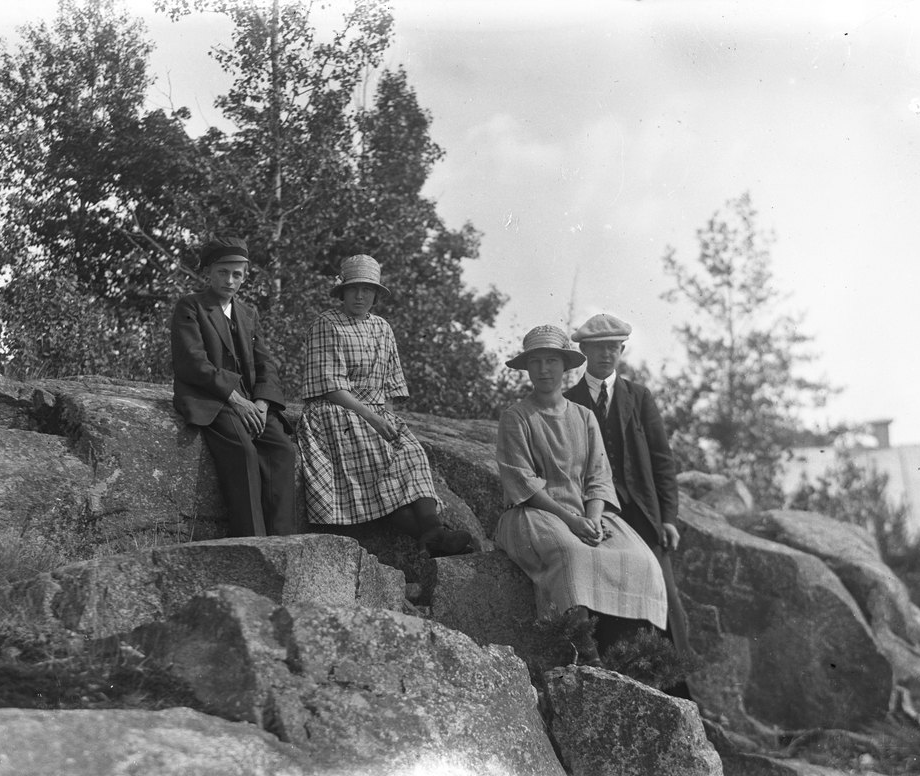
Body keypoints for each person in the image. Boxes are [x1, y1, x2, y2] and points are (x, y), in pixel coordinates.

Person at [494, 325, 668, 663]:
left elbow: (599, 475)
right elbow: (522, 481)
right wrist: (571, 521)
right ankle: (584, 652)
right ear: (526, 368)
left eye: (551, 361)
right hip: (534, 513)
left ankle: (633, 656)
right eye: (535, 362)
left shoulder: (584, 416)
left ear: (565, 366)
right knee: (572, 553)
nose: (544, 370)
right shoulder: (516, 417)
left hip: (584, 512)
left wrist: (593, 518)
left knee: (641, 559)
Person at [294, 254, 472, 557]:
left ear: (376, 295)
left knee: (410, 452)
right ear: (342, 292)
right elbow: (331, 387)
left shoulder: (382, 327)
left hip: (375, 412)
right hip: (336, 412)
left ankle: (433, 531)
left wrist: (388, 421)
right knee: (375, 461)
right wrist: (373, 420)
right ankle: (436, 538)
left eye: (367, 290)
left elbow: (390, 383)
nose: (360, 296)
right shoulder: (328, 324)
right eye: (353, 289)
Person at [565, 313, 693, 659]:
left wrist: (668, 518)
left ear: (621, 350)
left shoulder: (639, 397)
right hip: (593, 511)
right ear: (584, 350)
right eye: (598, 347)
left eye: (613, 347)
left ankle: (675, 680)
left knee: (664, 592)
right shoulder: (569, 401)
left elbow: (662, 460)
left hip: (640, 511)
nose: (606, 354)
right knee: (604, 592)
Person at [170, 236, 296, 537]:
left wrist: (262, 403)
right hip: (212, 398)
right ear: (208, 272)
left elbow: (266, 363)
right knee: (244, 451)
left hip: (251, 402)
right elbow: (193, 363)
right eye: (223, 272)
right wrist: (237, 400)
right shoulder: (191, 306)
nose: (230, 280)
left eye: (237, 274)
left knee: (282, 450)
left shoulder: (248, 314)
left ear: (245, 276)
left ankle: (283, 542)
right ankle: (251, 543)